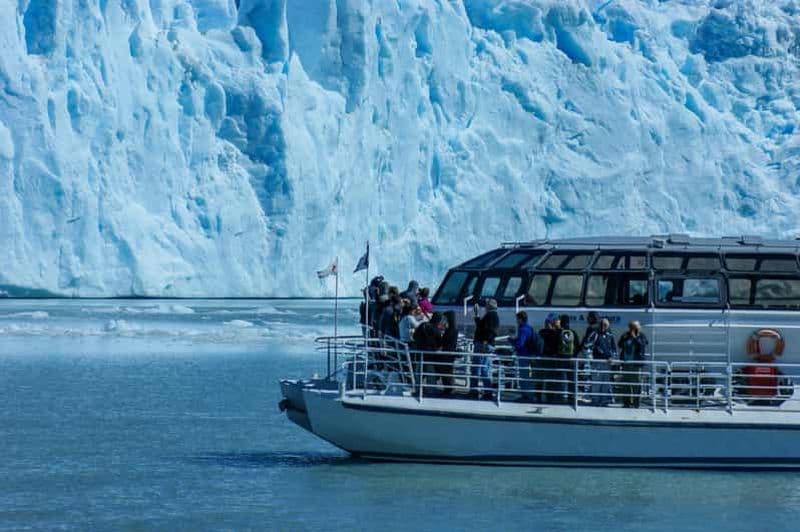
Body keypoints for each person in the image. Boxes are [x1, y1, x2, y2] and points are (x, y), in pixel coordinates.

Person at [470, 299, 499, 399]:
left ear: (489, 306)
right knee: (484, 368)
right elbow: (484, 327)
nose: (485, 306)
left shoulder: (490, 316)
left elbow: (486, 329)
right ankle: (487, 391)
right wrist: (477, 315)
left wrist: (485, 341)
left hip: (483, 344)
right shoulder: (493, 316)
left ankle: (475, 390)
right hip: (486, 344)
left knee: (477, 368)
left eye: (486, 304)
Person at [511, 311, 543, 402]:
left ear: (520, 319)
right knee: (528, 376)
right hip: (530, 354)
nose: (516, 321)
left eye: (517, 319)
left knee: (524, 376)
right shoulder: (529, 328)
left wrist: (511, 340)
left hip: (524, 355)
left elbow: (520, 344)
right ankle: (529, 394)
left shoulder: (523, 329)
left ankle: (527, 396)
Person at [617, 321, 649, 408]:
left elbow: (643, 345)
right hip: (626, 363)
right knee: (626, 384)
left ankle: (636, 403)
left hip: (636, 364)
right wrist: (625, 338)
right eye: (633, 327)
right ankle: (626, 403)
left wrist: (635, 338)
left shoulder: (641, 336)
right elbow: (619, 345)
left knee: (636, 384)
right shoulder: (626, 335)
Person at [590, 319, 617, 406]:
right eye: (602, 324)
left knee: (606, 382)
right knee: (596, 382)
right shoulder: (595, 334)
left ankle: (604, 400)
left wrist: (613, 358)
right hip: (597, 362)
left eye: (606, 325)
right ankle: (595, 400)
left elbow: (614, 349)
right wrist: (590, 357)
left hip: (607, 363)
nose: (604, 326)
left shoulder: (610, 336)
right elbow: (587, 345)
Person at [536, 313, 561, 403]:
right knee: (545, 378)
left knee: (548, 379)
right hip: (548, 357)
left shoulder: (544, 332)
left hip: (548, 357)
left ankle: (545, 395)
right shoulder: (547, 332)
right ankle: (543, 395)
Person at [435, 310, 459, 396]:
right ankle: (449, 388)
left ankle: (450, 388)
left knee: (446, 370)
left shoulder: (451, 329)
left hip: (448, 352)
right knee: (447, 370)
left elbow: (445, 340)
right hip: (449, 352)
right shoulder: (453, 328)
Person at [557, 314, 580, 403]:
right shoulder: (573, 332)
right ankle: (572, 396)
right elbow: (578, 346)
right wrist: (574, 355)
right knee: (572, 378)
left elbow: (556, 345)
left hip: (561, 359)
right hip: (571, 359)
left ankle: (561, 396)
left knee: (561, 378)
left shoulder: (559, 333)